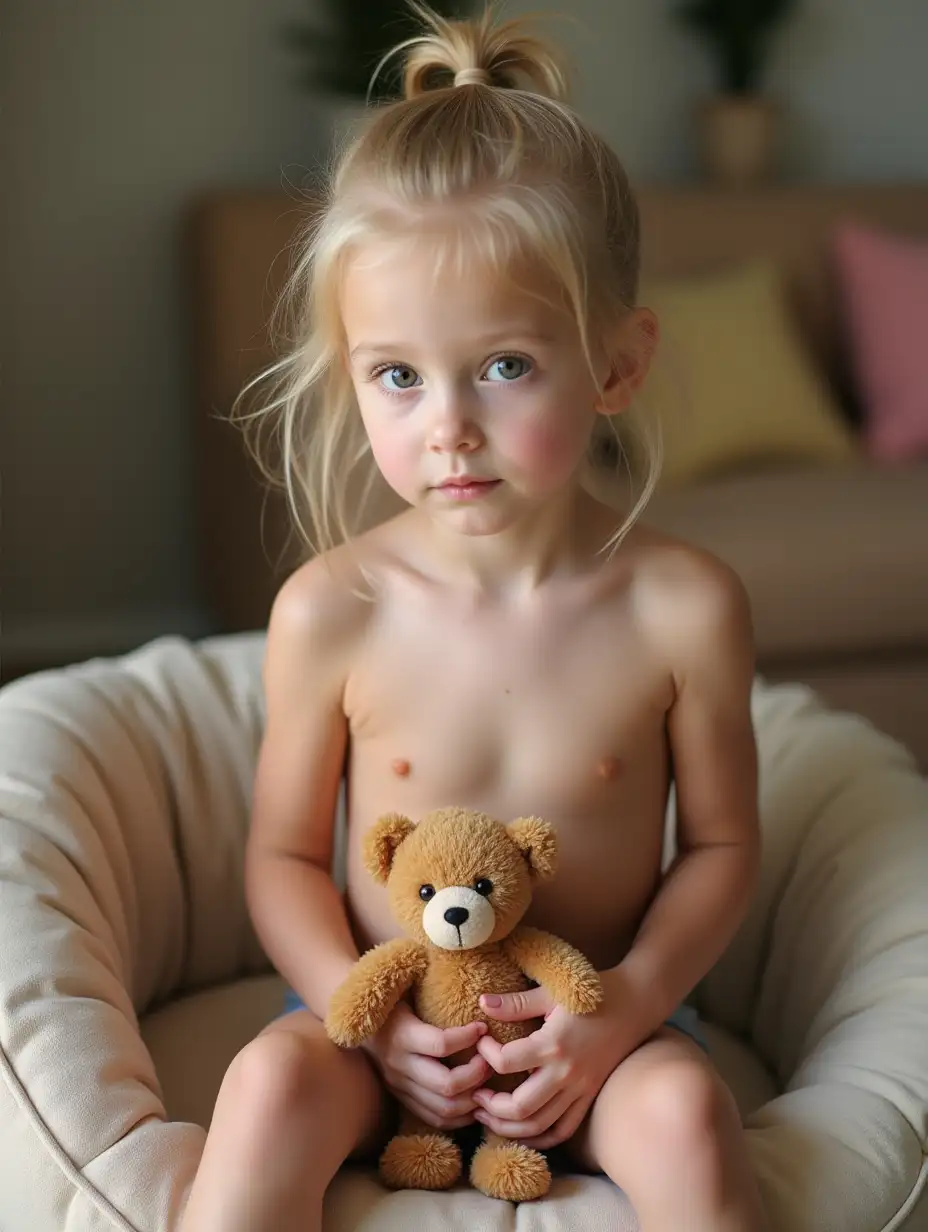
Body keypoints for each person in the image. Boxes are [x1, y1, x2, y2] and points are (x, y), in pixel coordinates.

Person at [179, 6, 764, 1230]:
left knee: (686, 1121)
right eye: (397, 373)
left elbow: (718, 846)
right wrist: (364, 1012)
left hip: (592, 1032)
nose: (444, 423)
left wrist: (621, 1013)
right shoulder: (331, 609)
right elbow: (285, 857)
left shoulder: (682, 605)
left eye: (503, 364)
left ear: (615, 363)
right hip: (379, 1027)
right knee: (267, 1085)